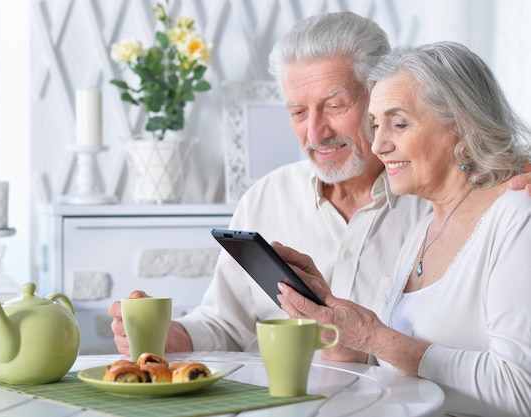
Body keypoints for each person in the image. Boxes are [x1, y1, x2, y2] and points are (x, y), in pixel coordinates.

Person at [109, 12, 531, 356]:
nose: (315, 132)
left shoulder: (436, 196)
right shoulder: (266, 198)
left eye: (335, 105)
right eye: (297, 112)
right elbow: (225, 321)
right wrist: (176, 337)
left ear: (378, 96)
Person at [276, 41, 531, 417]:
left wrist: (376, 336)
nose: (378, 145)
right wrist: (333, 321)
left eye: (399, 123)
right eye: (376, 125)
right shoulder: (425, 227)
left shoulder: (517, 215)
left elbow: (519, 390)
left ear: (462, 124)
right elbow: (395, 366)